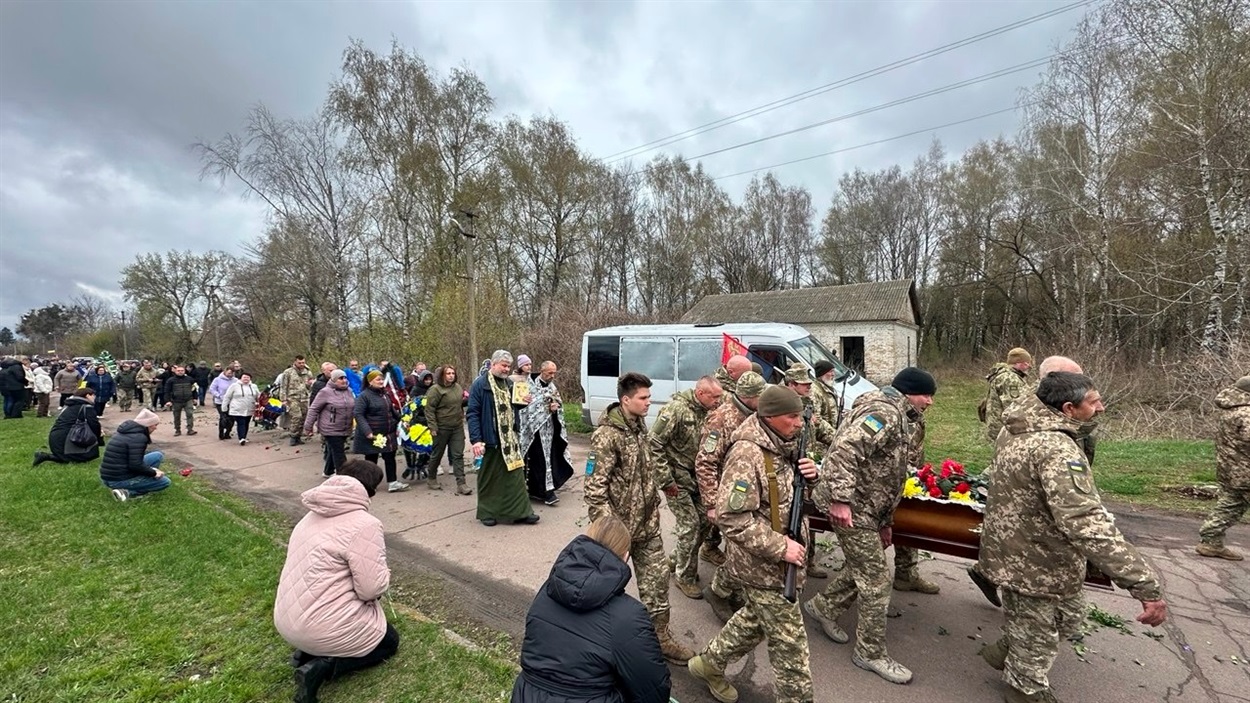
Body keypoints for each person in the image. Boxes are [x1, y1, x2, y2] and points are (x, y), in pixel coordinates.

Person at [979, 372, 1167, 703]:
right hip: (1033, 560)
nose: (1101, 407)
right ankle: (1025, 689)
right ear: (1068, 408)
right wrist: (1144, 584)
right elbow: (1084, 521)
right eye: (1093, 402)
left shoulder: (1020, 427)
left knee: (1069, 616)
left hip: (1029, 550)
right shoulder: (1056, 448)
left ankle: (1007, 649)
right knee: (1036, 637)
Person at [687, 385, 821, 703]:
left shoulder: (784, 446)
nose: (799, 423)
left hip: (783, 563)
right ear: (770, 417)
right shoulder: (747, 455)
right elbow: (731, 518)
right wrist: (780, 547)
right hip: (761, 567)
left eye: (800, 416)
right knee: (792, 654)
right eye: (792, 416)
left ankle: (709, 665)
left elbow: (791, 499)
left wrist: (813, 477)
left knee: (755, 622)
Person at [807, 366, 939, 685]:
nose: (930, 402)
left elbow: (886, 474)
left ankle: (824, 607)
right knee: (877, 580)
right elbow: (845, 451)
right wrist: (840, 500)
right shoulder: (883, 413)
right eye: (926, 395)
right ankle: (870, 653)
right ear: (910, 392)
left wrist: (885, 521)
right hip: (853, 507)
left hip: (869, 508)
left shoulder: (899, 412)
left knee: (867, 567)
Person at [585, 372, 691, 664]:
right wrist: (611, 533)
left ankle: (660, 638)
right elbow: (594, 490)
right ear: (625, 400)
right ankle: (592, 637)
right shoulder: (607, 436)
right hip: (617, 532)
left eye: (649, 397)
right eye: (643, 398)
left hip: (647, 526)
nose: (648, 403)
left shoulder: (639, 426)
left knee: (657, 582)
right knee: (606, 586)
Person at [274, 459, 399, 703]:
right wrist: (384, 575)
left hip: (286, 621)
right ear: (369, 492)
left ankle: (307, 653)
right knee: (388, 641)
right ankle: (322, 667)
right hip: (319, 628)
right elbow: (371, 589)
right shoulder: (365, 524)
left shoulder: (310, 516)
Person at [511, 515, 671, 703]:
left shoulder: (548, 590)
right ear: (625, 557)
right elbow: (654, 692)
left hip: (526, 695)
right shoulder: (629, 616)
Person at [694, 371, 766, 621]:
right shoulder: (721, 418)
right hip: (728, 495)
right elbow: (705, 462)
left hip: (749, 491)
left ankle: (732, 592)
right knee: (741, 548)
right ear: (749, 397)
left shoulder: (754, 414)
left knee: (744, 548)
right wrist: (712, 504)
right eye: (760, 396)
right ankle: (719, 592)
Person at [649, 374, 723, 599]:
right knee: (690, 525)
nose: (718, 401)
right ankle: (684, 577)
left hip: (698, 479)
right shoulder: (676, 409)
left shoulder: (709, 411)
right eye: (715, 397)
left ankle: (677, 559)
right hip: (676, 480)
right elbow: (654, 443)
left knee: (705, 522)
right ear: (700, 393)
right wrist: (665, 480)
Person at [469, 351, 539, 526]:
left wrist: (523, 402)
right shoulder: (480, 385)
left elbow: (512, 406)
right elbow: (473, 413)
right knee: (489, 478)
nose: (507, 369)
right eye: (503, 366)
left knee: (515, 477)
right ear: (493, 364)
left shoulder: (509, 383)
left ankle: (521, 511)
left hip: (510, 440)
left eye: (508, 366)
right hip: (490, 439)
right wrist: (476, 440)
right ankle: (487, 512)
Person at [1195, 375, 1250, 560]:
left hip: (1231, 466)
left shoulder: (1231, 409)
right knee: (1232, 504)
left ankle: (1211, 541)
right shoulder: (1246, 414)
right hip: (1244, 469)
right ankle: (1211, 540)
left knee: (1231, 503)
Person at [519, 360, 575, 506]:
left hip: (549, 430)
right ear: (542, 371)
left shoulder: (552, 387)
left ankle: (547, 490)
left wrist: (555, 409)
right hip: (533, 431)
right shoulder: (529, 385)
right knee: (536, 461)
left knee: (548, 460)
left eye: (554, 373)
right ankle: (537, 491)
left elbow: (559, 405)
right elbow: (525, 408)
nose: (552, 376)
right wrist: (543, 408)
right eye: (550, 373)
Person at [353, 370, 408, 493]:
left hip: (388, 433)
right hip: (373, 435)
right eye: (378, 379)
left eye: (382, 379)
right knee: (371, 460)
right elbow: (358, 414)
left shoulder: (385, 394)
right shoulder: (364, 396)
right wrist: (367, 431)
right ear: (370, 382)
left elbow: (392, 411)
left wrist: (403, 420)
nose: (381, 381)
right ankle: (369, 484)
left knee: (390, 457)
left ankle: (393, 482)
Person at [99, 408, 170, 502]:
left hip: (108, 476)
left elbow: (135, 460)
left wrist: (149, 470)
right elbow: (135, 465)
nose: (156, 428)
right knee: (164, 482)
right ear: (148, 425)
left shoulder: (124, 432)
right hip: (117, 480)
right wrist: (153, 472)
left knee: (157, 455)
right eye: (155, 425)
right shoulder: (139, 438)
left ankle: (142, 481)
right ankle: (126, 493)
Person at [423, 365, 473, 494]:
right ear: (442, 375)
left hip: (457, 427)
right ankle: (431, 478)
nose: (451, 375)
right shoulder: (436, 390)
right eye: (448, 373)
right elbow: (429, 409)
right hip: (441, 428)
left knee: (458, 455)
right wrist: (433, 426)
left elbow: (459, 404)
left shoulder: (458, 388)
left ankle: (461, 483)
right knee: (437, 454)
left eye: (453, 373)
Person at [305, 369, 357, 477]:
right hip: (330, 428)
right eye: (340, 378)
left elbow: (354, 407)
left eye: (345, 378)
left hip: (345, 427)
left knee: (333, 449)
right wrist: (308, 426)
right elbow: (314, 409)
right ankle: (343, 476)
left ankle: (328, 471)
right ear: (333, 380)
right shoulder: (325, 392)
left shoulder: (349, 391)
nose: (344, 380)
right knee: (339, 452)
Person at [33, 387, 102, 465]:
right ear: (87, 396)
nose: (94, 398)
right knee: (81, 455)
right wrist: (99, 437)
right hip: (67, 437)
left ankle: (45, 456)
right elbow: (94, 424)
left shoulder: (68, 406)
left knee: (66, 458)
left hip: (55, 437)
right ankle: (47, 456)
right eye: (93, 395)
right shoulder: (86, 407)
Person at [983, 348, 1033, 441]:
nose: (1029, 366)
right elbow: (1014, 407)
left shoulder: (1005, 375)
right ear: (1018, 363)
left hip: (999, 427)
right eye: (1026, 363)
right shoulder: (1010, 378)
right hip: (1005, 431)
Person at [280, 355, 314, 446]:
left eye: (303, 362)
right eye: (299, 363)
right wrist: (283, 399)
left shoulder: (307, 372)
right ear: (295, 362)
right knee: (297, 416)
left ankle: (298, 436)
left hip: (304, 397)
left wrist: (310, 384)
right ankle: (293, 436)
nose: (302, 364)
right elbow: (283, 386)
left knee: (303, 417)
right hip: (292, 398)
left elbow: (309, 385)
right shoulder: (288, 372)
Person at [222, 371, 260, 445]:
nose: (246, 379)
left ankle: (244, 437)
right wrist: (224, 407)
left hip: (250, 408)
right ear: (240, 378)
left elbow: (258, 396)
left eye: (248, 377)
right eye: (244, 377)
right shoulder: (234, 386)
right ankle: (241, 438)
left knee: (246, 423)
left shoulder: (253, 386)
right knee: (241, 422)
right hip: (237, 408)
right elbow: (227, 397)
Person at [209, 366, 237, 440]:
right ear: (225, 371)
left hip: (232, 402)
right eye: (229, 373)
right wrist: (218, 395)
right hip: (220, 401)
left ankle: (228, 432)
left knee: (232, 418)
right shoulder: (217, 379)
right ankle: (221, 433)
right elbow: (212, 389)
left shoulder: (235, 380)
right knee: (223, 417)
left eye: (232, 373)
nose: (230, 375)